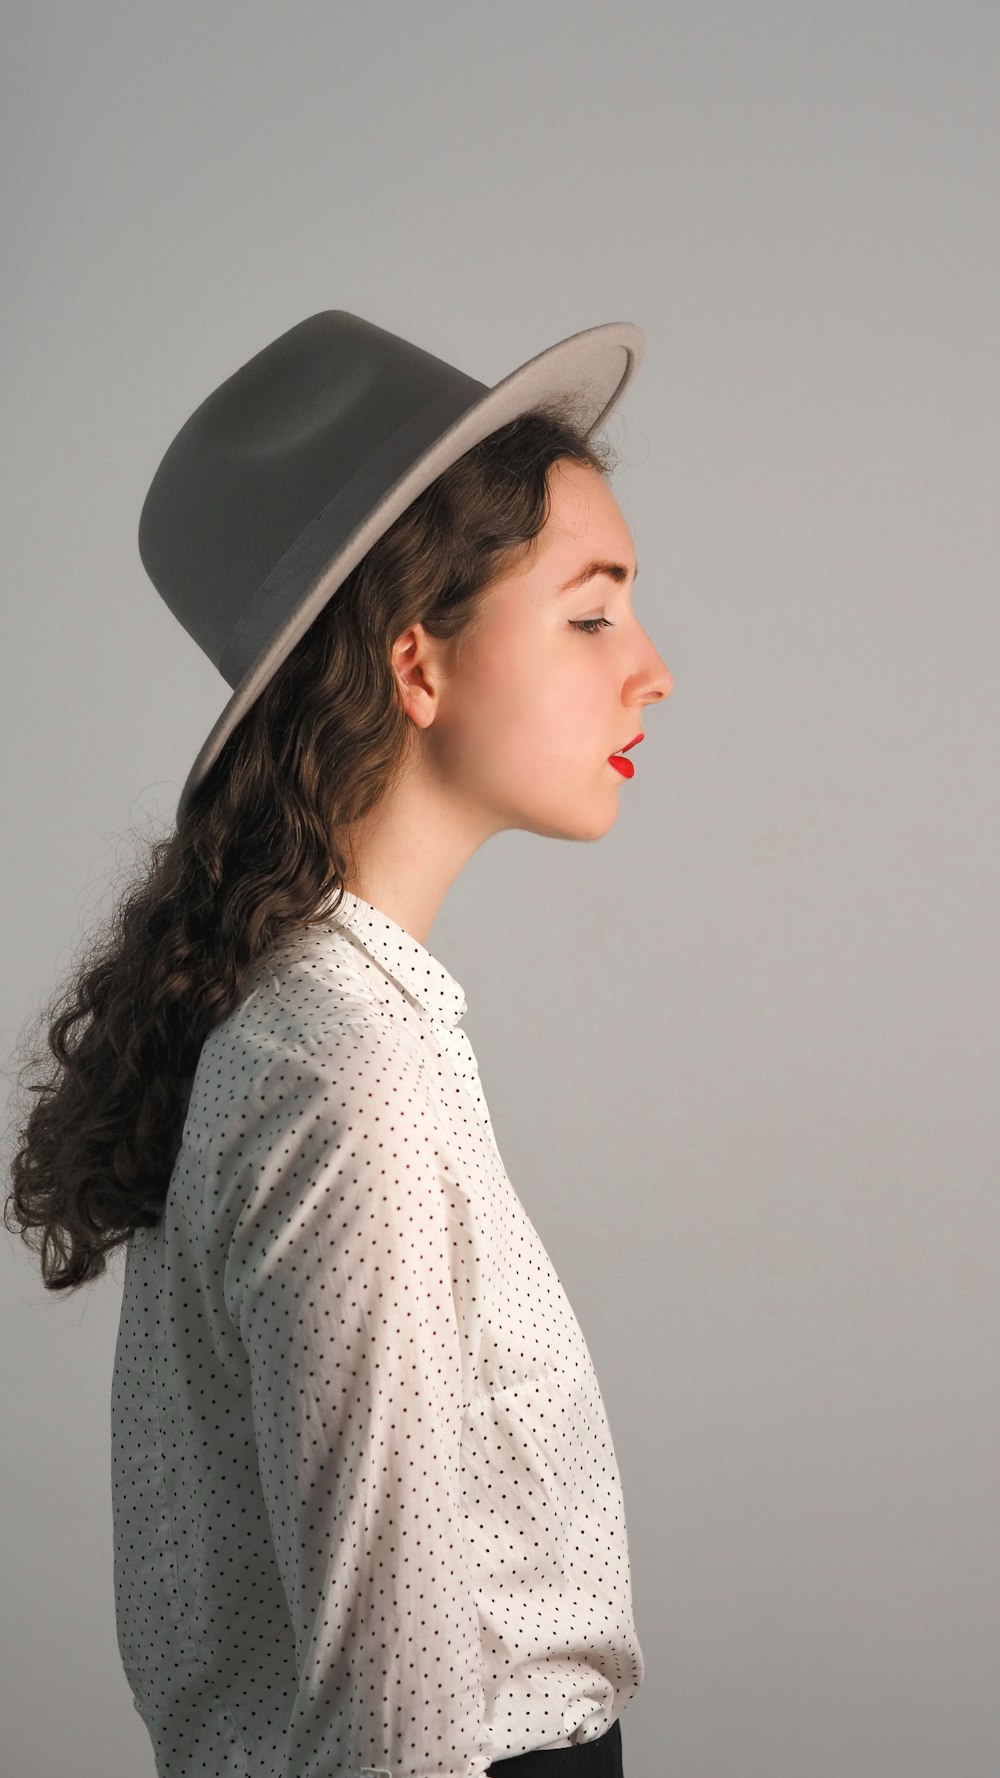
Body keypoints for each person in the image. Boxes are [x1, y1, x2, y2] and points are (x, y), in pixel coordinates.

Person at [4, 311, 672, 1777]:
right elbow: (398, 1708)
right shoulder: (349, 1076)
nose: (652, 671)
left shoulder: (308, 1025)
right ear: (416, 663)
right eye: (591, 611)